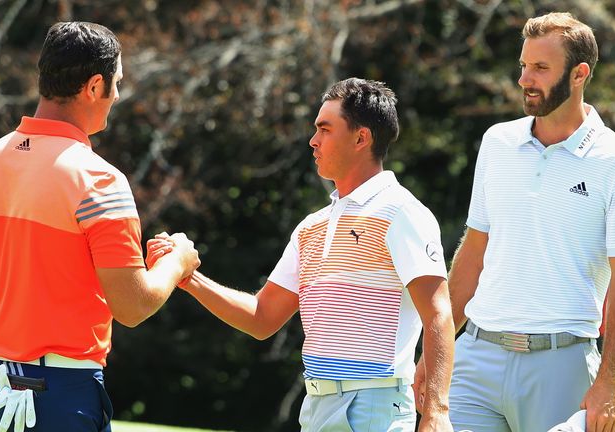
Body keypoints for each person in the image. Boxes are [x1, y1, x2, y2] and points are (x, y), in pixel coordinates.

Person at [148, 78, 455, 431]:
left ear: (361, 138)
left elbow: (438, 315)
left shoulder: (401, 212)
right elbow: (262, 317)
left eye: (325, 129)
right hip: (316, 407)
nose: (313, 141)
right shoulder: (312, 226)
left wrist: (436, 412)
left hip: (376, 406)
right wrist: (189, 278)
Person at [0, 21, 199, 432]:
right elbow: (132, 306)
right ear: (95, 87)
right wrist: (178, 262)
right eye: (117, 84)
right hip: (57, 391)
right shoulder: (99, 180)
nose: (117, 96)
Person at [444, 12, 615, 432]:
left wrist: (610, 383)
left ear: (579, 75)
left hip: (563, 366)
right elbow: (474, 252)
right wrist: (435, 353)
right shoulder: (496, 142)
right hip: (475, 358)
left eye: (540, 68)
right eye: (523, 65)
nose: (524, 79)